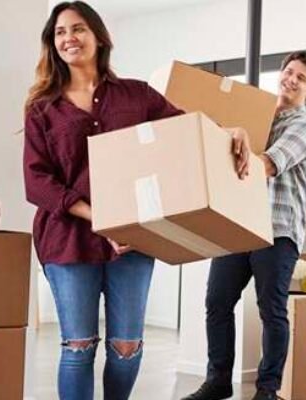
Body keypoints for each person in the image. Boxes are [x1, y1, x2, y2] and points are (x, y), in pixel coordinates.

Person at [22, 2, 187, 399]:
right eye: (59, 33)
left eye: (77, 29)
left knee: (127, 348)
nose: (68, 39)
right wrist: (101, 217)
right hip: (67, 240)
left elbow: (187, 134)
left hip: (133, 242)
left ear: (98, 36)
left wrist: (230, 131)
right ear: (52, 43)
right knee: (78, 347)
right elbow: (36, 181)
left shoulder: (138, 96)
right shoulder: (42, 108)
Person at [183, 51, 306, 400]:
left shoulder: (305, 127)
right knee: (217, 302)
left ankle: (267, 390)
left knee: (271, 311)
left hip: (277, 231)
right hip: (237, 227)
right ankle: (218, 381)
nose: (291, 79)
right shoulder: (256, 117)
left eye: (301, 78)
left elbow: (267, 165)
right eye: (289, 72)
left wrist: (233, 146)